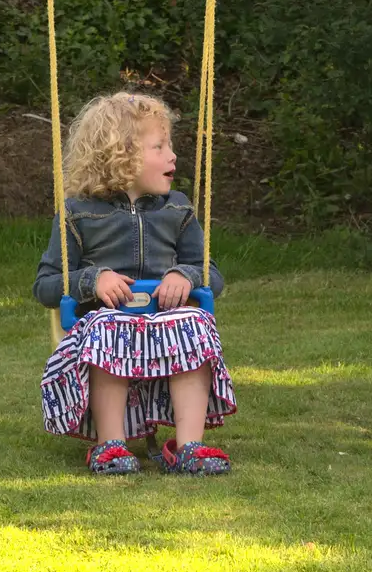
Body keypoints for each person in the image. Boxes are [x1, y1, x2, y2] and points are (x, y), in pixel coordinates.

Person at [34, 92, 235, 475]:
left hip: (166, 322)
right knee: (109, 330)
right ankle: (110, 444)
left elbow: (211, 274)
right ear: (120, 155)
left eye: (169, 145)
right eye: (159, 146)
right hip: (106, 327)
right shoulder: (78, 214)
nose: (173, 156)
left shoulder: (177, 209)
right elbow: (45, 285)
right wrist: (93, 279)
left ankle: (190, 445)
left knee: (195, 324)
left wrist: (184, 275)